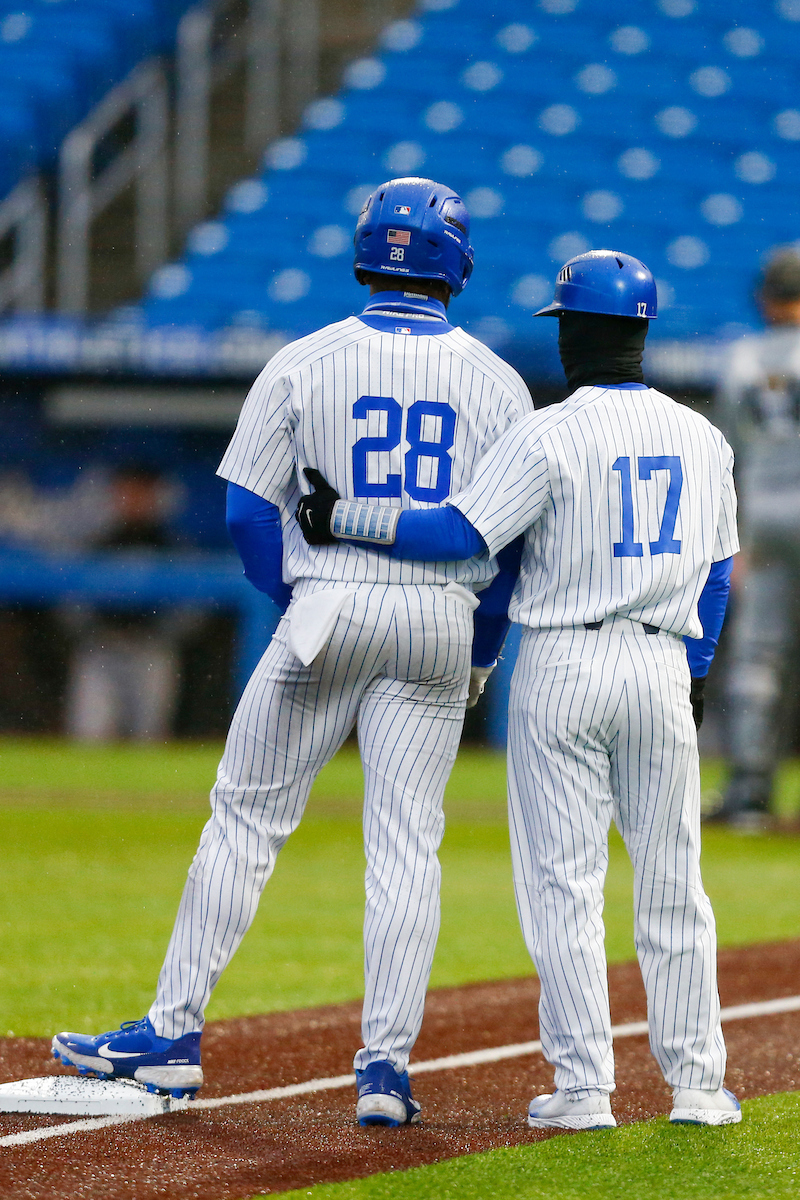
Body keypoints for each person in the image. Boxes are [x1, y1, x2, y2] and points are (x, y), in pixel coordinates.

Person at [51, 177, 534, 1124]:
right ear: (456, 263)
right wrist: (482, 649)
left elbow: (245, 513)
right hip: (439, 616)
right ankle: (386, 1069)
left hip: (328, 604)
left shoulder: (303, 359)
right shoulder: (499, 381)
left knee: (245, 820)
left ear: (365, 252)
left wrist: (295, 599)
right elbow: (508, 546)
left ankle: (172, 1036)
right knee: (406, 844)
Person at [296, 250, 742, 1129]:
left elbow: (459, 536)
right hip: (660, 658)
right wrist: (695, 673)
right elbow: (719, 576)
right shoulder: (703, 435)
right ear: (643, 332)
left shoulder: (546, 432)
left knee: (563, 884)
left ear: (571, 333)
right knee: (674, 882)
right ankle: (697, 1085)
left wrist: (339, 515)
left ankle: (584, 1090)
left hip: (563, 662)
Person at [711, 248, 800, 827]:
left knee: (758, 653)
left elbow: (726, 454)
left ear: (766, 298)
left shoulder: (741, 357)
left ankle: (748, 788)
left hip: (763, 509)